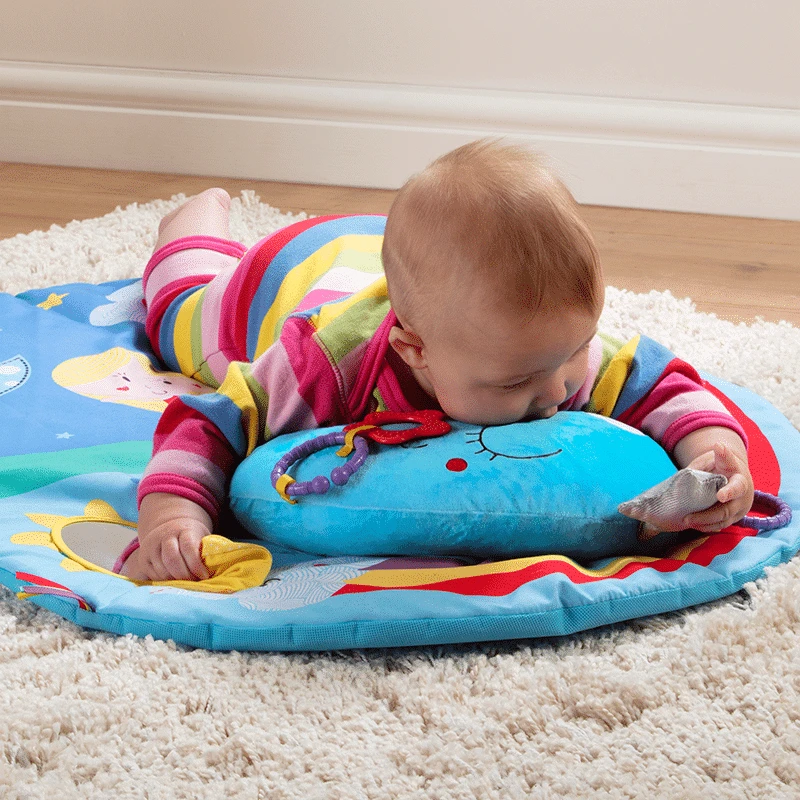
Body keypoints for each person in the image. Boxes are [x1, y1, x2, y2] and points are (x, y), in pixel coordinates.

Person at [122, 139, 754, 582]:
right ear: (413, 352)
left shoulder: (539, 346)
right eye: (516, 382)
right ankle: (188, 227)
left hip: (401, 264)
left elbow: (664, 384)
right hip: (291, 274)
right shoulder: (320, 364)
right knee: (178, 318)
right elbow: (207, 423)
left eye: (574, 353)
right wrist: (173, 516)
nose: (557, 393)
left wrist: (712, 450)